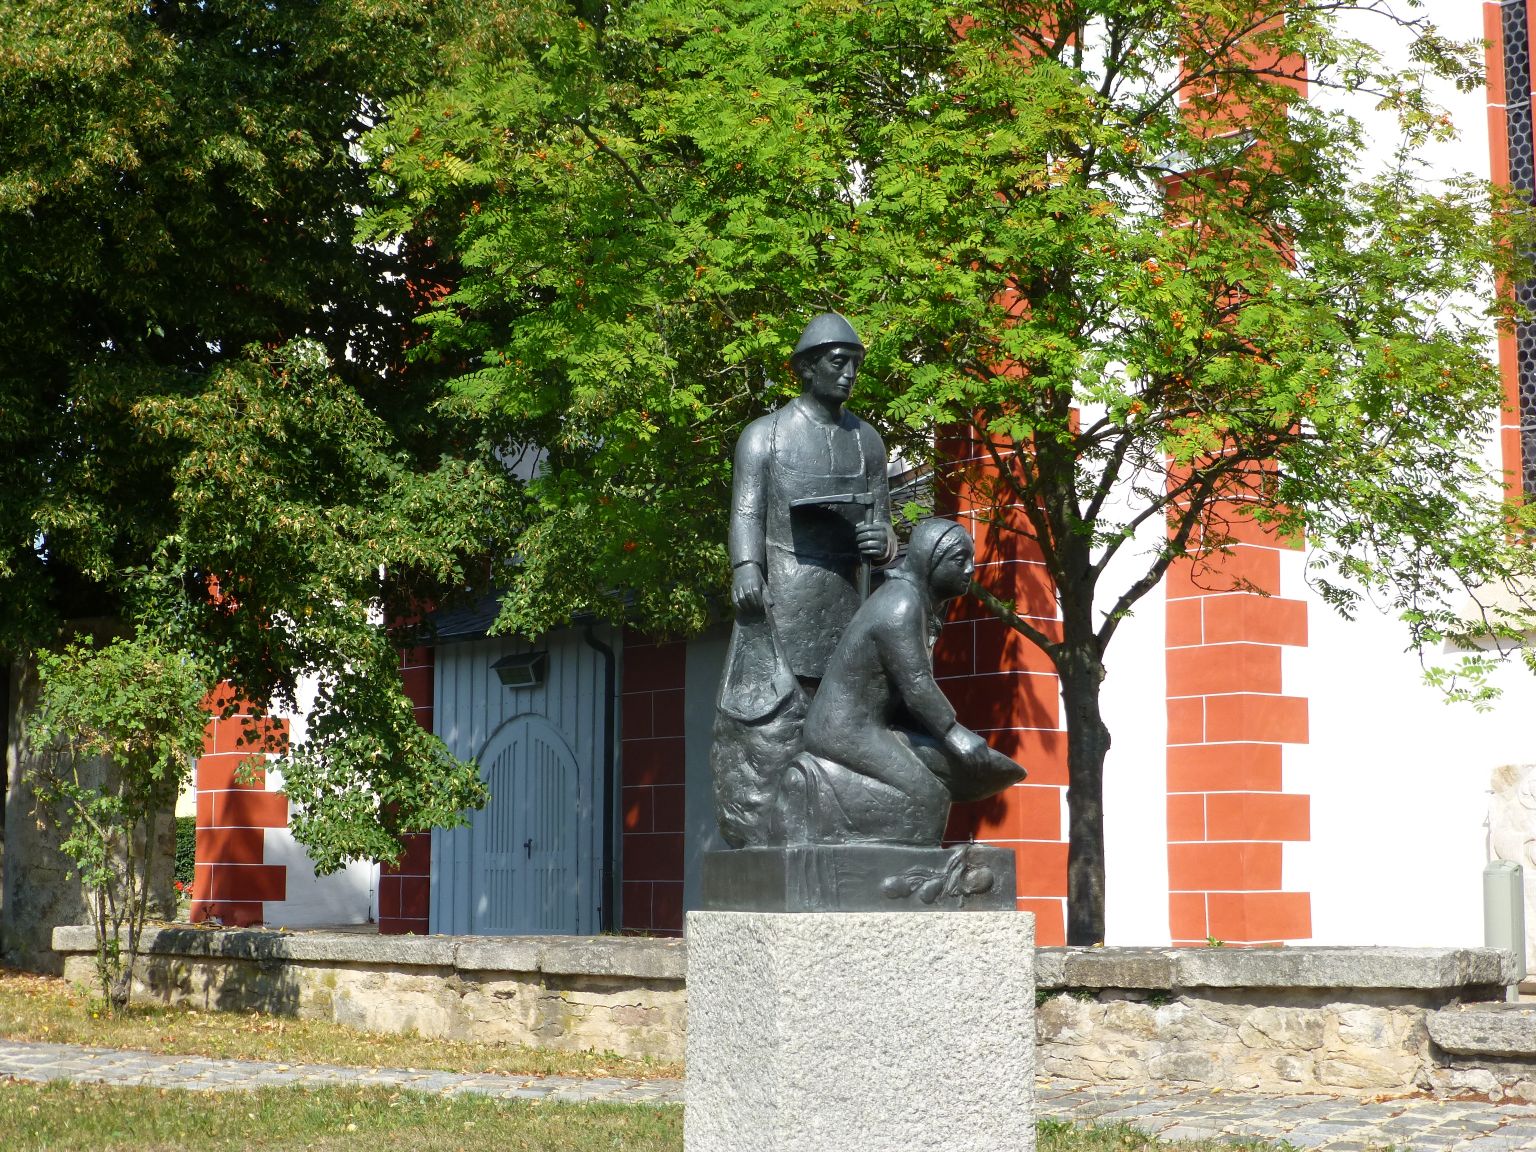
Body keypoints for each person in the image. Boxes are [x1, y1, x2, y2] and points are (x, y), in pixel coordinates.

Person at [712, 313, 899, 847]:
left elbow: (883, 522)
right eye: (838, 364)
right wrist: (746, 568)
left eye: (855, 366)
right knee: (778, 718)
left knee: (844, 713)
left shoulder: (867, 442)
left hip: (846, 597)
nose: (848, 376)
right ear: (806, 369)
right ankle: (771, 828)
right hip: (783, 598)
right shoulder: (764, 437)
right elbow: (746, 514)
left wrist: (880, 543)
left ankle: (836, 823)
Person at [788, 518, 1027, 845]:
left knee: (945, 771)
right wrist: (955, 735)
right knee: (930, 796)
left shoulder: (918, 602)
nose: (970, 569)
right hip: (842, 729)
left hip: (873, 726)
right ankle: (840, 829)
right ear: (932, 561)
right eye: (960, 560)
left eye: (971, 560)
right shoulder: (901, 604)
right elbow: (916, 685)